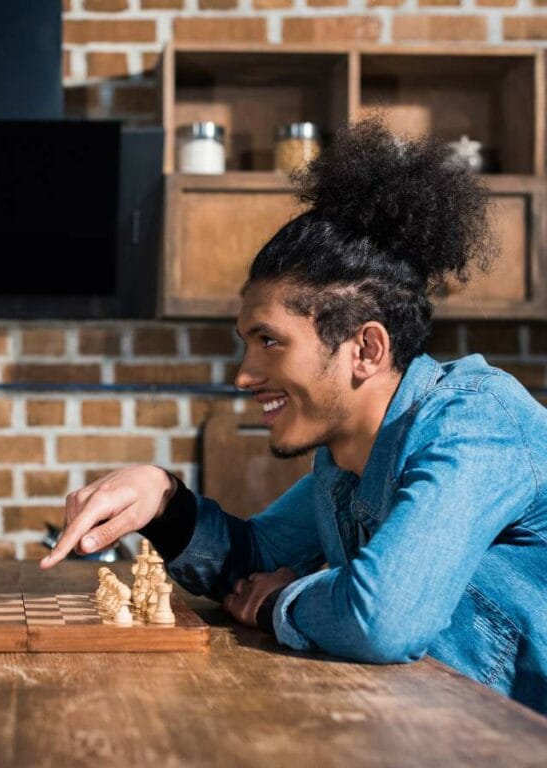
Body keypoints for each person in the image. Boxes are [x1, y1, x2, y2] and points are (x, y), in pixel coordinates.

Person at [41, 120, 547, 714]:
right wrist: (162, 499)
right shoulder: (344, 462)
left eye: (269, 342)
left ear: (366, 350)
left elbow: (383, 619)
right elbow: (254, 560)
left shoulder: (477, 424)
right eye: (244, 342)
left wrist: (287, 601)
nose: (244, 375)